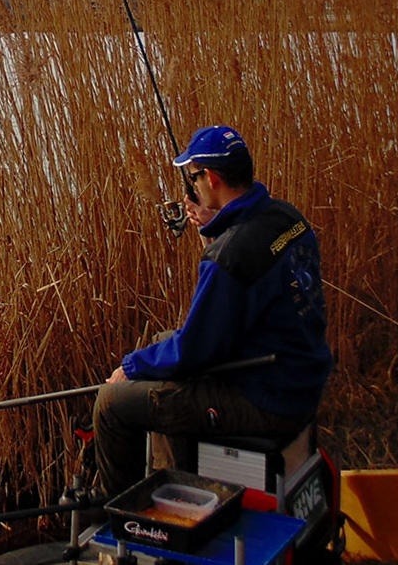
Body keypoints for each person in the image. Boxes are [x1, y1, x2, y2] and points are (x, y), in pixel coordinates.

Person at [92, 124, 332, 499]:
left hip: (268, 399)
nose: (193, 188)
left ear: (212, 177)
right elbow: (250, 280)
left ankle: (121, 515)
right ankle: (174, 478)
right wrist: (216, 228)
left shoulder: (230, 257)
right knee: (161, 343)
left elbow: (194, 351)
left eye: (193, 178)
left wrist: (131, 367)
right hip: (297, 373)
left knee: (113, 404)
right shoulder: (286, 217)